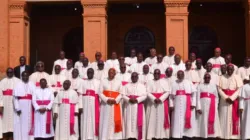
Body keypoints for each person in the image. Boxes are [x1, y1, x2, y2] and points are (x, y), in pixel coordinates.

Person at [218, 64, 243, 139]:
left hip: (233, 101)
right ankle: (223, 134)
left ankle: (233, 136)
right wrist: (226, 97)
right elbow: (219, 89)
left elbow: (239, 89)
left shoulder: (237, 77)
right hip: (224, 101)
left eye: (231, 70)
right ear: (226, 69)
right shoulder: (221, 77)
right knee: (223, 117)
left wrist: (232, 98)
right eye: (228, 69)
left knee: (233, 118)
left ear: (233, 70)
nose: (229, 71)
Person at [170, 70, 197, 139]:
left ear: (184, 75)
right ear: (177, 76)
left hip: (187, 103)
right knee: (177, 118)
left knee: (186, 117)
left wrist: (193, 103)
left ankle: (186, 134)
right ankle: (176, 134)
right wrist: (171, 105)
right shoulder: (174, 83)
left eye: (181, 74)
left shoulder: (188, 82)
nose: (180, 76)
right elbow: (171, 96)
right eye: (179, 75)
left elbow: (194, 94)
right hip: (177, 104)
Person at [99, 68, 123, 139]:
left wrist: (115, 100)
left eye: (112, 73)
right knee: (105, 120)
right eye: (109, 72)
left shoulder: (119, 82)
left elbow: (121, 93)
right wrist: (106, 100)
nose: (110, 74)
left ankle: (115, 137)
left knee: (114, 121)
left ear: (115, 74)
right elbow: (100, 92)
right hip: (106, 105)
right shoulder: (103, 81)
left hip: (115, 104)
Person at [146, 69, 171, 139]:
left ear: (160, 74)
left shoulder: (164, 82)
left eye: (158, 73)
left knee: (161, 118)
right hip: (152, 103)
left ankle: (162, 135)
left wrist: (160, 99)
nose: (156, 75)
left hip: (161, 103)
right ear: (153, 74)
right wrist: (154, 98)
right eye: (155, 73)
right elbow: (147, 92)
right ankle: (151, 134)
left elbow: (168, 92)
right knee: (151, 118)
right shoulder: (149, 82)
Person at [196, 73, 221, 138]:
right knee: (203, 119)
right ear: (203, 78)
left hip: (212, 106)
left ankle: (211, 134)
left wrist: (215, 106)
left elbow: (216, 97)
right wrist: (198, 107)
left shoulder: (213, 86)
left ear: (210, 78)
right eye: (206, 78)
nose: (207, 79)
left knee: (212, 119)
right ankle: (203, 134)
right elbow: (197, 97)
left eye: (208, 78)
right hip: (202, 105)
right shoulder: (199, 86)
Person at [123, 72, 147, 140]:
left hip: (138, 105)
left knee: (138, 120)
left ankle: (137, 136)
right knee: (128, 120)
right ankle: (129, 135)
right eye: (132, 77)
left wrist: (137, 100)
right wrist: (129, 99)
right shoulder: (126, 86)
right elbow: (123, 95)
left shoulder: (142, 86)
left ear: (137, 77)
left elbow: (145, 95)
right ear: (131, 78)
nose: (134, 78)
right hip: (129, 105)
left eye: (135, 76)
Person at [79, 68, 100, 140]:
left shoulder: (98, 82)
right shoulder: (83, 82)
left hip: (94, 105)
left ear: (93, 73)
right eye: (88, 72)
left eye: (91, 72)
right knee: (85, 120)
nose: (89, 74)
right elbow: (80, 94)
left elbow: (99, 94)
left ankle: (94, 137)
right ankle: (85, 137)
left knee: (93, 119)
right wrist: (80, 106)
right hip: (85, 105)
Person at [13, 71, 35, 140]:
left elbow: (35, 95)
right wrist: (17, 108)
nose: (25, 77)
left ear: (28, 76)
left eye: (27, 76)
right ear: (21, 76)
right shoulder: (18, 84)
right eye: (24, 76)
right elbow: (15, 98)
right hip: (21, 107)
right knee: (21, 124)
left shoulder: (32, 84)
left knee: (29, 123)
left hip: (30, 106)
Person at [0, 68, 21, 140]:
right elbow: (0, 95)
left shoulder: (18, 81)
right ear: (6, 73)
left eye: (11, 72)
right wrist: (1, 105)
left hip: (14, 105)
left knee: (13, 122)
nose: (9, 73)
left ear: (13, 72)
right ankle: (5, 137)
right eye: (8, 72)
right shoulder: (2, 82)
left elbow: (20, 94)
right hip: (5, 105)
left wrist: (18, 106)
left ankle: (12, 137)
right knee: (5, 122)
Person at [239, 75, 250, 139]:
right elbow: (241, 98)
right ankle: (246, 136)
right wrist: (241, 107)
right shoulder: (244, 87)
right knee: (246, 121)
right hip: (246, 106)